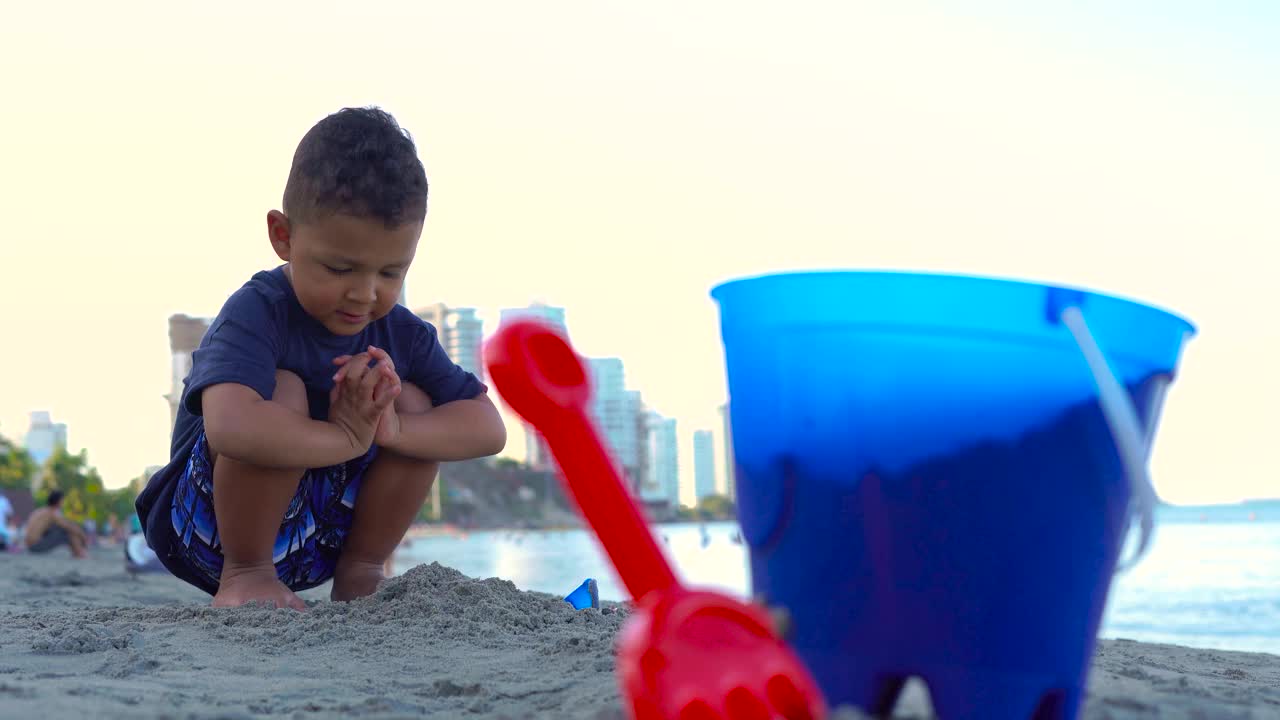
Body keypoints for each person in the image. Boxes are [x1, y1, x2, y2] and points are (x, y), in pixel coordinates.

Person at [135, 107, 507, 611]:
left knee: (412, 401)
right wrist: (344, 437)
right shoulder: (259, 311)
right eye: (339, 268)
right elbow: (229, 427)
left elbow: (489, 429)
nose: (364, 294)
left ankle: (363, 571)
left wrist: (391, 429)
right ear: (283, 237)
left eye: (390, 273)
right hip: (206, 533)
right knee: (282, 390)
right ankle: (248, 576)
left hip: (317, 541)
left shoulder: (401, 334)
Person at [24, 491, 89, 558]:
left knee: (60, 528)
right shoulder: (53, 513)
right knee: (68, 532)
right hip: (36, 546)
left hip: (29, 546)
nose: (63, 503)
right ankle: (80, 554)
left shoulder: (39, 511)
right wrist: (84, 537)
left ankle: (78, 553)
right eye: (63, 501)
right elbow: (70, 527)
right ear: (59, 501)